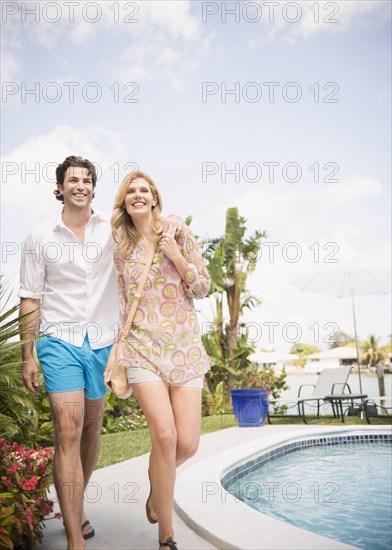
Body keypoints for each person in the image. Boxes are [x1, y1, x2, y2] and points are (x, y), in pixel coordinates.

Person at [19, 156, 181, 550]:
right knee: (68, 428)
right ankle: (75, 536)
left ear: (94, 188)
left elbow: (148, 223)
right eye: (72, 180)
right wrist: (29, 355)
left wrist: (172, 221)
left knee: (92, 427)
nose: (80, 185)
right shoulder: (40, 235)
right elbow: (30, 297)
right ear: (59, 187)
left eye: (87, 180)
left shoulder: (112, 231)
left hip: (104, 343)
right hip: (59, 340)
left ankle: (75, 504)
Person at [104, 171, 211, 550]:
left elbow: (202, 287)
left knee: (189, 444)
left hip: (184, 347)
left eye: (143, 190)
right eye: (130, 191)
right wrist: (118, 347)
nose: (137, 195)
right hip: (141, 349)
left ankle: (156, 490)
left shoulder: (178, 233)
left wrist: (176, 254)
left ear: (154, 199)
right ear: (125, 203)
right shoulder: (121, 249)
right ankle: (166, 534)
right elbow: (122, 304)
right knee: (164, 436)